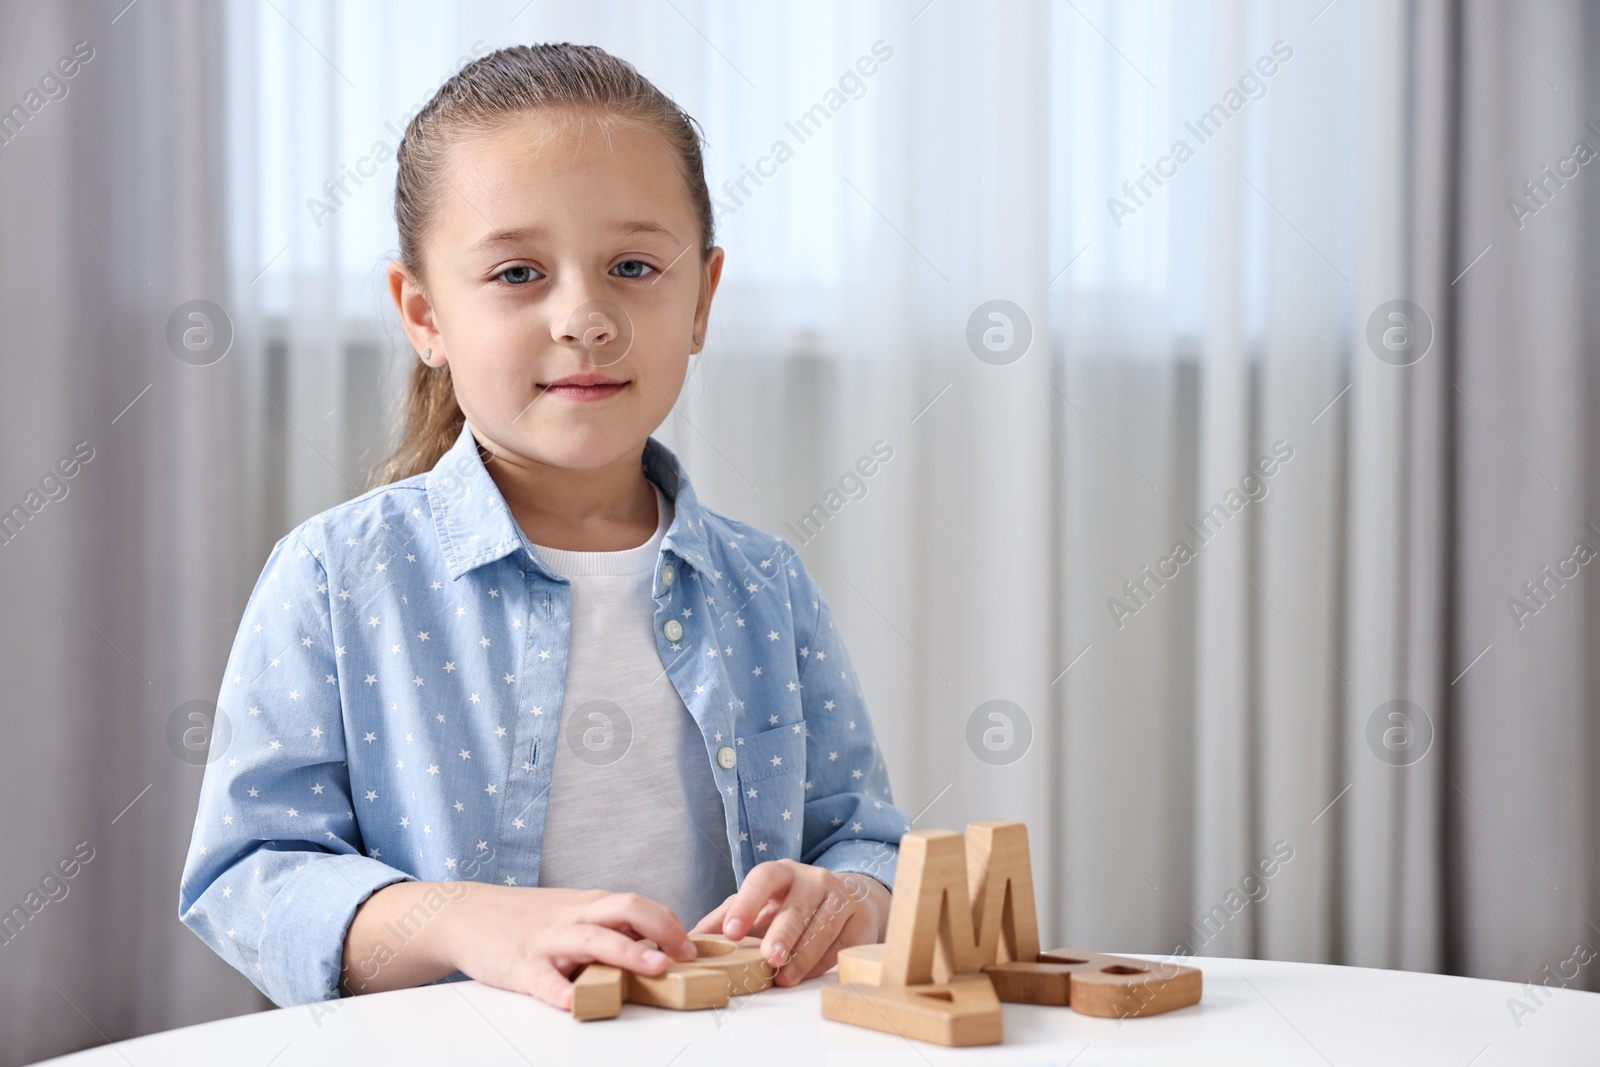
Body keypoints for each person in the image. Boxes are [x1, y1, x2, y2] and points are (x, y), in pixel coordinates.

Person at [177, 42, 909, 1013]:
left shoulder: (766, 584)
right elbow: (250, 874)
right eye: (519, 271)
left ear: (702, 298)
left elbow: (863, 834)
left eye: (634, 266)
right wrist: (473, 921)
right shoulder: (334, 576)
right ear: (423, 312)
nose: (586, 316)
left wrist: (850, 894)